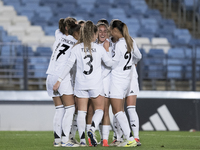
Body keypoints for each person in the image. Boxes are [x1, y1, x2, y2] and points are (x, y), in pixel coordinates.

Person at [53, 21, 116, 147]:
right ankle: (92, 128)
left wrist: (59, 80)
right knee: (100, 110)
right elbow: (109, 63)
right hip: (95, 84)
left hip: (80, 84)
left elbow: (69, 65)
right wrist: (118, 58)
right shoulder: (99, 48)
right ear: (94, 34)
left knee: (81, 112)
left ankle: (82, 140)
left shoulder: (76, 48)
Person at [46, 17, 81, 147]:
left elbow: (60, 28)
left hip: (49, 75)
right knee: (70, 108)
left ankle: (57, 140)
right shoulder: (75, 43)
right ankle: (66, 140)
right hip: (61, 76)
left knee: (59, 109)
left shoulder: (58, 36)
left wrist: (66, 24)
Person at [109, 20, 142, 147]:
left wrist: (102, 58)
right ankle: (130, 138)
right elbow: (139, 56)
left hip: (117, 80)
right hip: (127, 79)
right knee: (122, 110)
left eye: (111, 29)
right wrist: (133, 61)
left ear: (115, 31)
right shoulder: (131, 41)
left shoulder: (118, 45)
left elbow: (113, 63)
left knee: (117, 111)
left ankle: (129, 139)